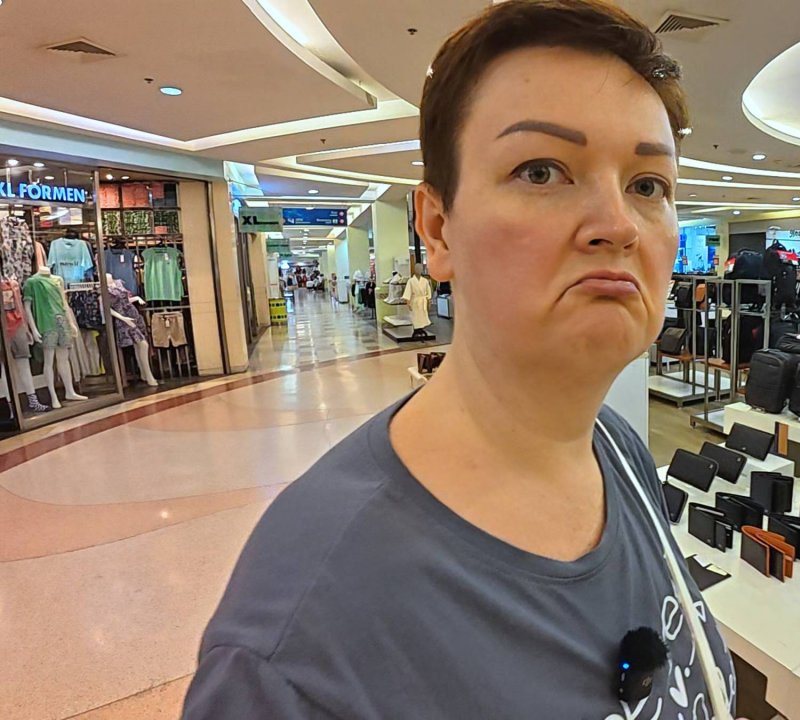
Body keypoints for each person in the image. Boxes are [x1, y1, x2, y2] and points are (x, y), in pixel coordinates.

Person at [181, 2, 735, 718]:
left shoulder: (618, 452)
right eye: (542, 171)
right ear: (438, 229)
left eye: (648, 185)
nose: (618, 224)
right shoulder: (301, 649)